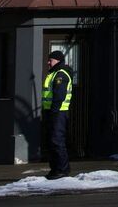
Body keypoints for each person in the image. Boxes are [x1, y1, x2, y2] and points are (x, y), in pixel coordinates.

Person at [41, 51, 74, 179]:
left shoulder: (61, 74)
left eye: (51, 60)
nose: (48, 62)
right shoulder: (53, 73)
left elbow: (59, 96)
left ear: (58, 60)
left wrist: (53, 112)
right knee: (51, 141)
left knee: (57, 140)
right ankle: (55, 169)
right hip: (51, 112)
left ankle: (62, 170)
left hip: (58, 113)